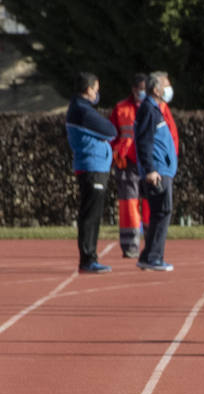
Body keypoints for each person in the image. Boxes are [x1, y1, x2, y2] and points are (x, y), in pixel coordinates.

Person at [111, 72, 177, 259]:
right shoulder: (124, 108)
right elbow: (115, 133)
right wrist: (116, 153)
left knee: (152, 207)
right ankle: (132, 246)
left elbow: (170, 137)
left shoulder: (159, 108)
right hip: (131, 164)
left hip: (153, 165)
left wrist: (169, 160)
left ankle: (151, 246)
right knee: (129, 205)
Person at [64, 71, 116, 274]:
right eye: (96, 89)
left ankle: (91, 256)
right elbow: (110, 131)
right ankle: (87, 258)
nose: (97, 93)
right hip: (91, 166)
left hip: (96, 165)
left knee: (93, 214)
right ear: (88, 90)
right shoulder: (83, 110)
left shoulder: (81, 108)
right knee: (90, 214)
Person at [134, 71, 178, 272]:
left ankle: (148, 256)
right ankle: (154, 257)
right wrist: (150, 170)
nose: (168, 90)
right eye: (166, 85)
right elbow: (144, 142)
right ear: (156, 89)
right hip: (157, 170)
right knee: (162, 211)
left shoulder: (154, 110)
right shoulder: (149, 110)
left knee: (160, 212)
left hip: (162, 167)